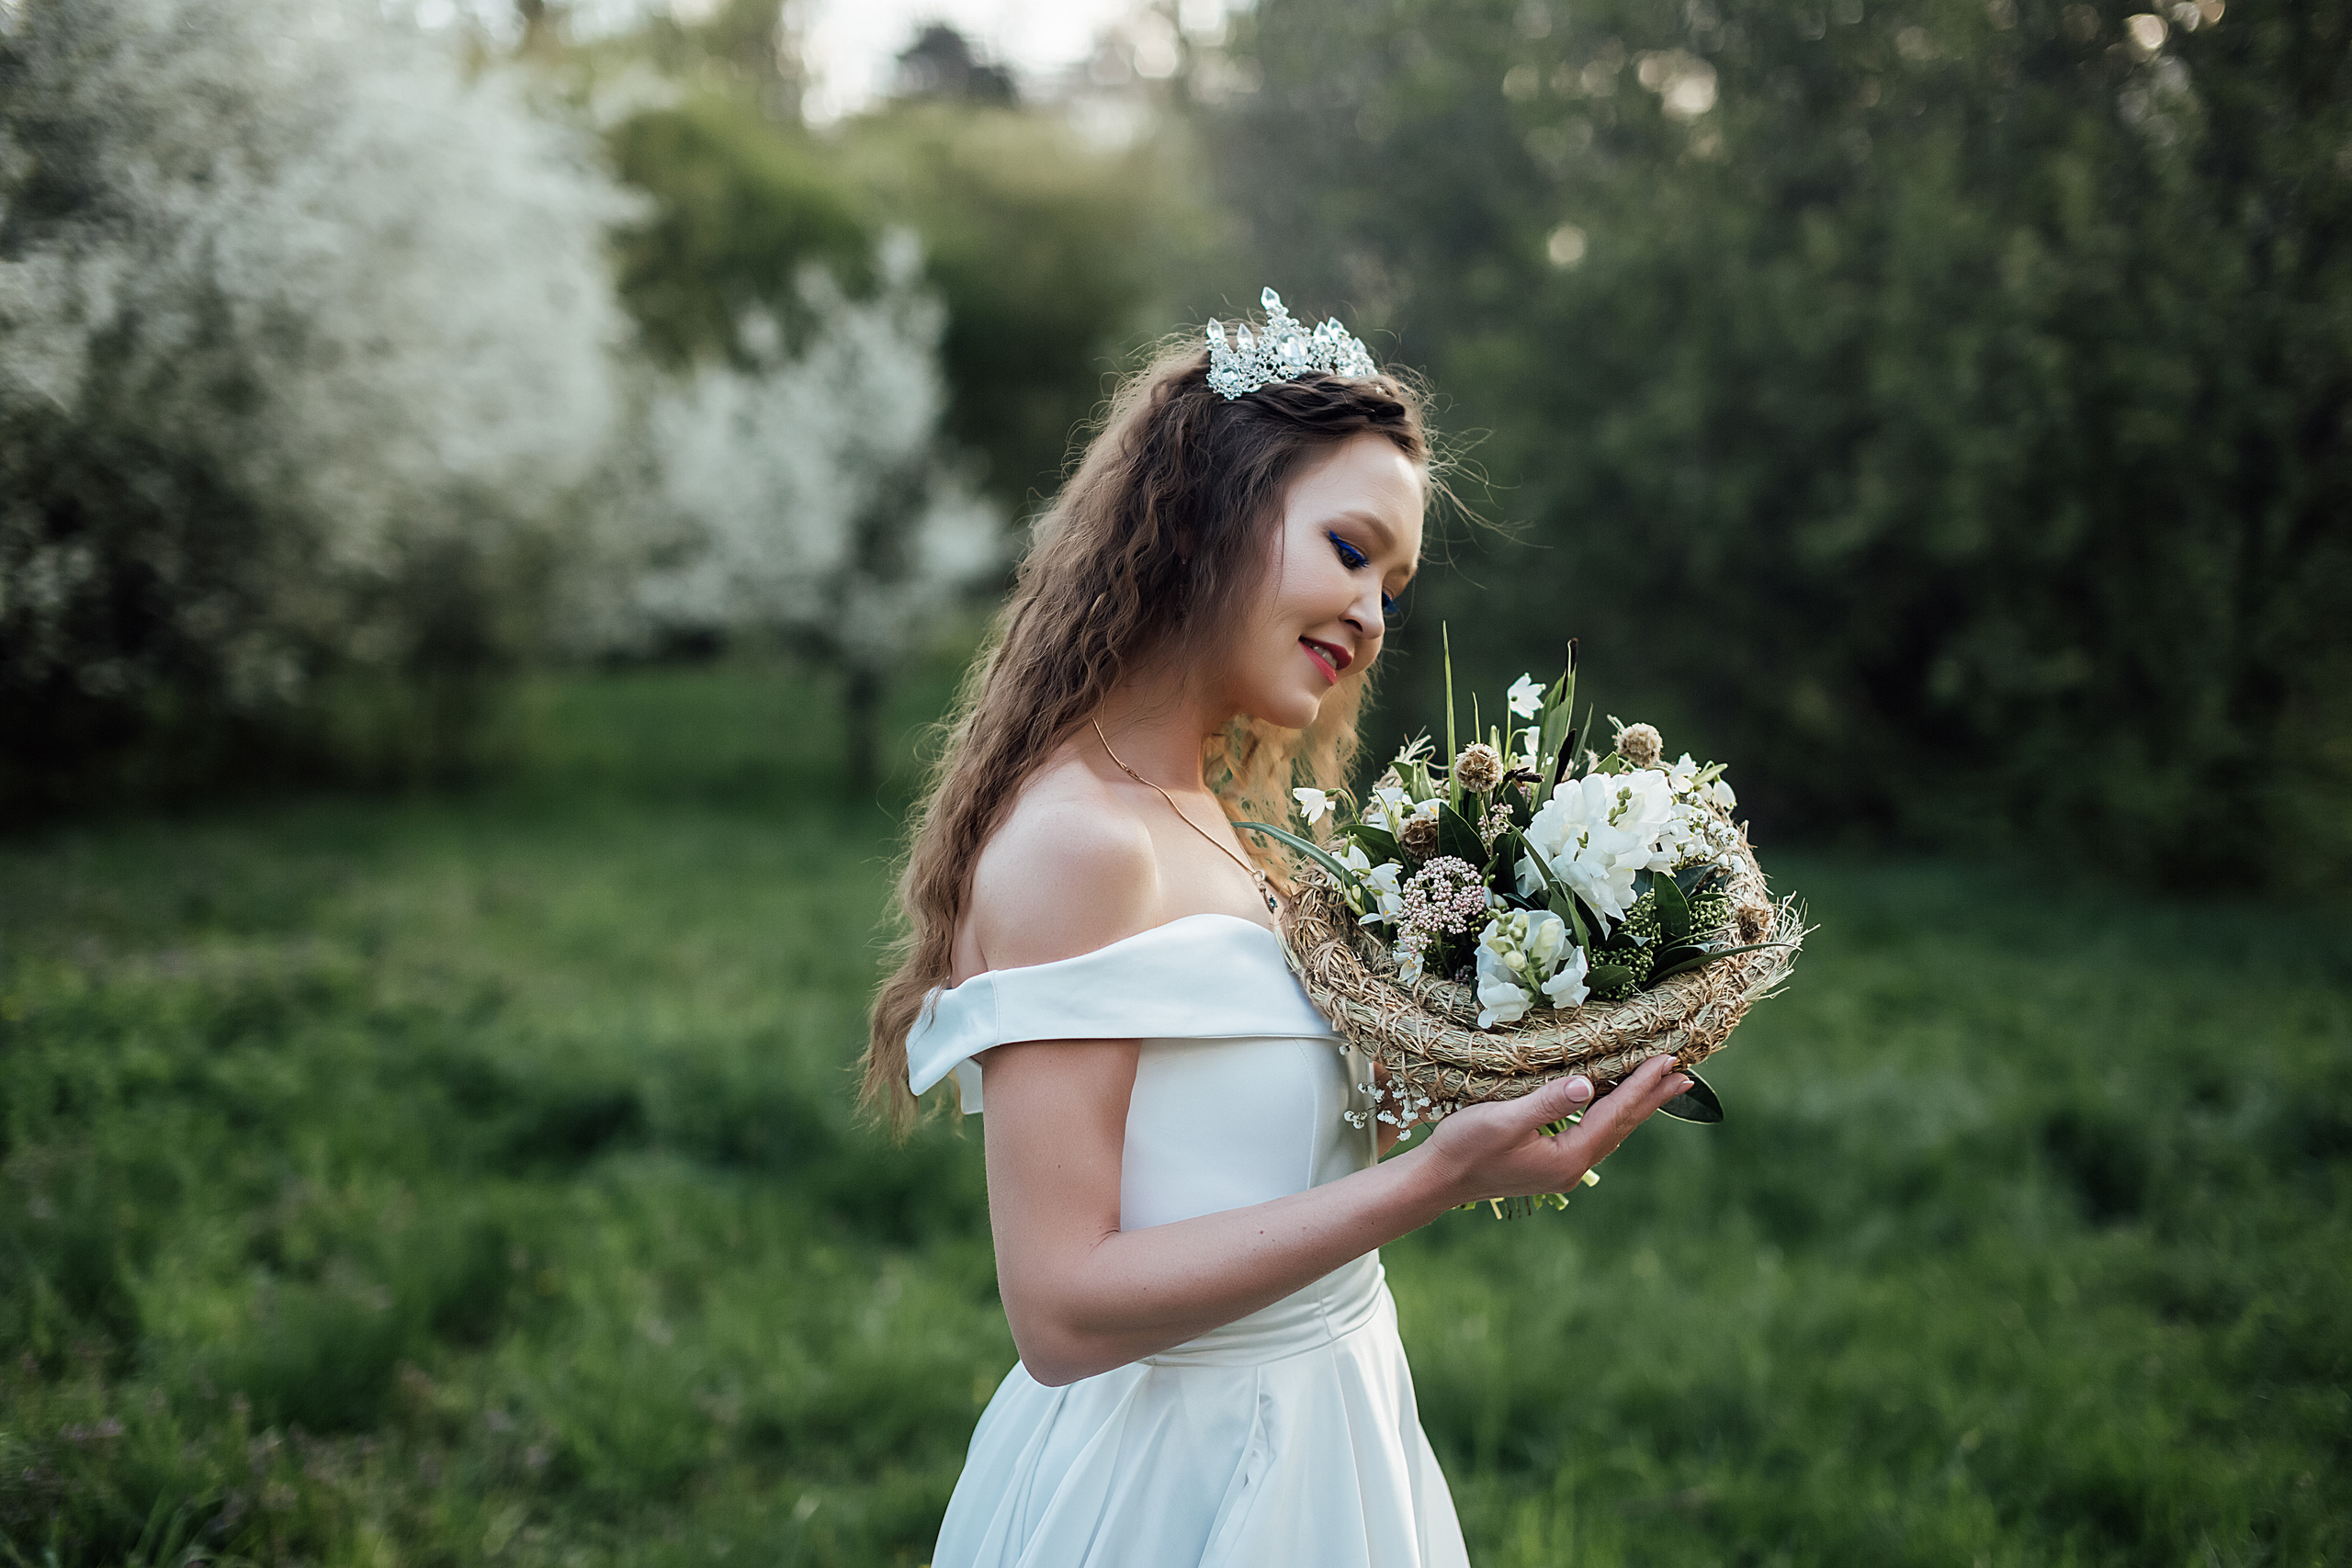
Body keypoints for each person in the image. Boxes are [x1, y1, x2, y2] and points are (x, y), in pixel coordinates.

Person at [863, 292, 1693, 1568]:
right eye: (1351, 552)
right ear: (1207, 512)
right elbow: (1062, 1307)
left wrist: (1482, 1094)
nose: (1372, 618)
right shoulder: (1080, 844)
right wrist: (1428, 1184)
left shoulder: (1219, 813)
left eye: (1395, 591)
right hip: (1178, 1473)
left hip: (1334, 1414)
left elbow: (1233, 1144)